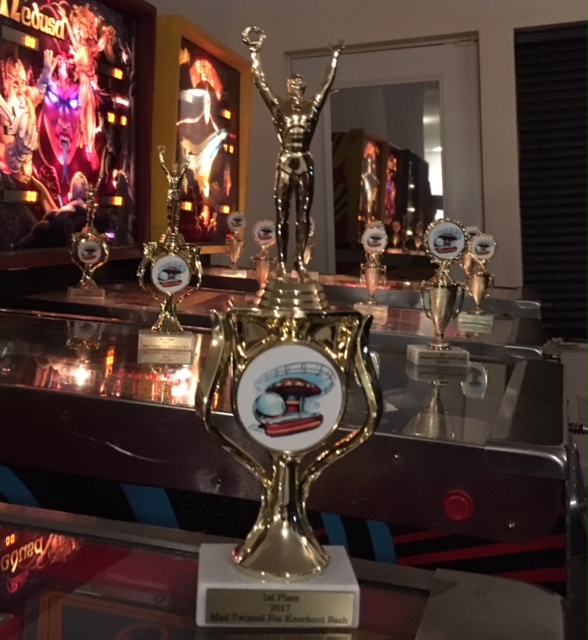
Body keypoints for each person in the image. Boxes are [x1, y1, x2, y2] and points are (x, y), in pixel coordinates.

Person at [242, 26, 343, 280]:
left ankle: (300, 261)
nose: (295, 86)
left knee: (304, 214)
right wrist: (255, 53)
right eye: (292, 83)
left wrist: (334, 57)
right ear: (288, 86)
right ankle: (282, 263)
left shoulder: (312, 107)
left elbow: (326, 84)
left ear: (303, 86)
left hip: (304, 159)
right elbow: (260, 83)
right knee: (281, 213)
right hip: (286, 159)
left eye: (299, 83)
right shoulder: (279, 107)